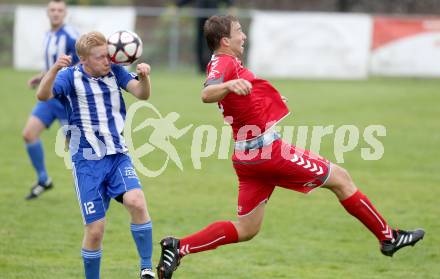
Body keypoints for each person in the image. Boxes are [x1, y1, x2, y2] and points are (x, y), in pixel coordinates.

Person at [156, 15, 425, 279]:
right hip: (268, 154)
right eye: (239, 30)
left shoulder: (228, 62)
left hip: (247, 156)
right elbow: (207, 93)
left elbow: (240, 96)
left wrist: (264, 96)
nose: (244, 35)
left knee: (247, 228)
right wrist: (227, 84)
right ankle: (388, 237)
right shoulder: (223, 63)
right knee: (341, 179)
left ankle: (179, 247)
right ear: (225, 40)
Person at [36, 31, 155, 279]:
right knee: (95, 230)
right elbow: (42, 95)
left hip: (117, 156)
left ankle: (146, 268)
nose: (106, 61)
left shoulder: (115, 71)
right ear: (84, 60)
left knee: (137, 202)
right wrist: (54, 70)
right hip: (87, 163)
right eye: (100, 57)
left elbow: (142, 94)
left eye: (108, 55)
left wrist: (144, 77)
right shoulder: (70, 77)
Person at [23, 0, 79, 200]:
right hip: (49, 99)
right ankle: (43, 179)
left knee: (76, 150)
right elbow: (55, 65)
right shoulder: (49, 35)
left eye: (60, 10)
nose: (56, 13)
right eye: (52, 10)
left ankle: (92, 187)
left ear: (66, 13)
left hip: (66, 101)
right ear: (48, 13)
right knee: (29, 134)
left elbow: (79, 66)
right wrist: (41, 77)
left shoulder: (72, 36)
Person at [175, 0, 234, 73]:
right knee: (199, 43)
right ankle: (201, 68)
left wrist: (230, 5)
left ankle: (214, 66)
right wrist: (178, 5)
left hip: (213, 17)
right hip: (200, 16)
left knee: (214, 42)